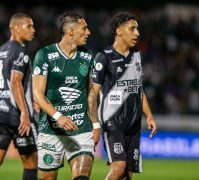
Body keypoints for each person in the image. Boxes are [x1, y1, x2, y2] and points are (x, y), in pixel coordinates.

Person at [32, 11, 100, 180]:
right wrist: (58, 116)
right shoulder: (45, 55)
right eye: (84, 29)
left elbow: (91, 91)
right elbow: (37, 94)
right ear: (70, 31)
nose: (88, 32)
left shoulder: (87, 56)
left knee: (82, 176)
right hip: (51, 130)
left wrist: (96, 124)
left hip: (80, 130)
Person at [92, 12, 157, 180]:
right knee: (118, 167)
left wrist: (149, 115)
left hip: (134, 125)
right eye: (132, 28)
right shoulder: (104, 57)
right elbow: (92, 94)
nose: (137, 33)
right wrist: (95, 125)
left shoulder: (136, 56)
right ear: (119, 31)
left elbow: (138, 88)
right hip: (113, 123)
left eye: (138, 29)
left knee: (128, 174)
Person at [0, 13, 38, 180]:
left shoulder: (0, 51)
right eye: (29, 26)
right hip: (17, 116)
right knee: (31, 162)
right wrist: (25, 112)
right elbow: (15, 81)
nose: (33, 30)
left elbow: (5, 81)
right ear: (16, 28)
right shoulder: (21, 51)